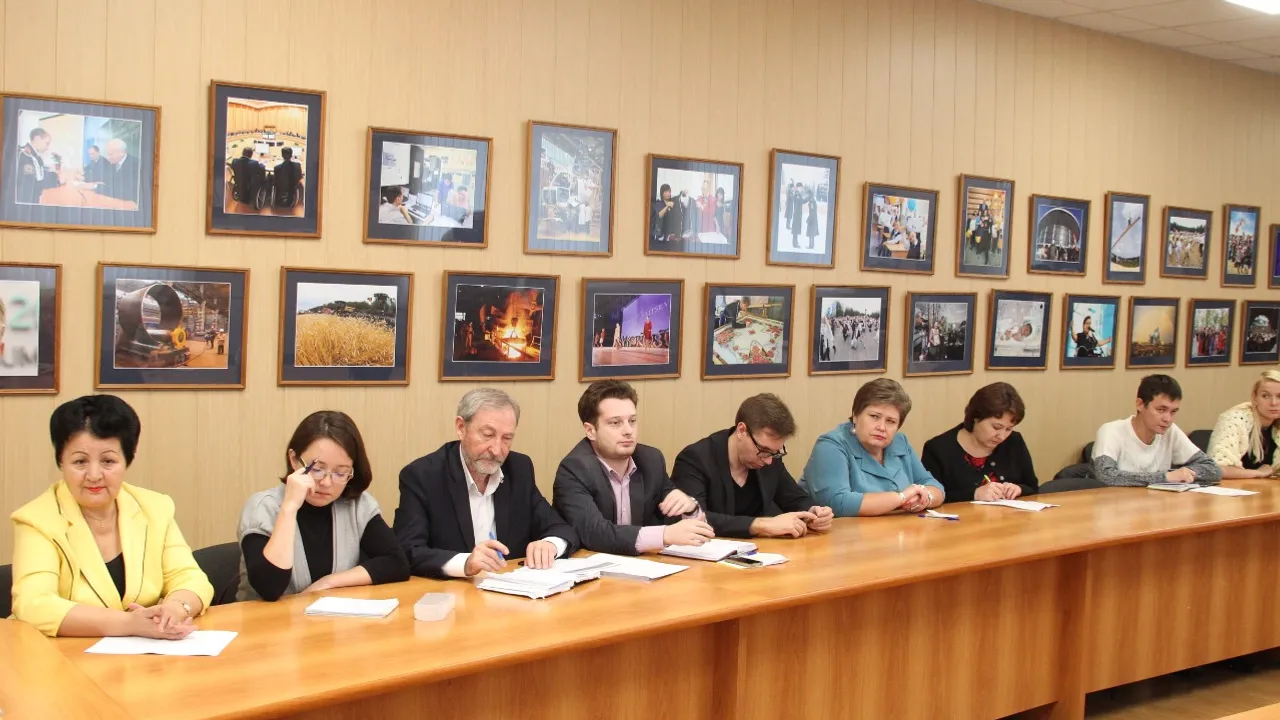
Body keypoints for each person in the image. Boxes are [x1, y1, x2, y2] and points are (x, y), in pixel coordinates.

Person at [10, 395, 213, 638]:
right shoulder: (37, 519)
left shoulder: (154, 507)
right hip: (58, 653)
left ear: (127, 458)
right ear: (61, 461)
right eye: (80, 462)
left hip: (142, 652)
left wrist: (175, 609)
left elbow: (189, 577)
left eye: (108, 461)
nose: (94, 475)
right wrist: (129, 624)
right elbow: (34, 604)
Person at [393, 389, 578, 579]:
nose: (497, 450)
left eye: (507, 438)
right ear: (461, 428)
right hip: (454, 591)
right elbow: (408, 550)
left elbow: (560, 527)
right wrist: (465, 563)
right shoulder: (423, 476)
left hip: (512, 588)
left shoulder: (519, 468)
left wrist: (550, 545)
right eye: (488, 435)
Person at [236, 411, 409, 602]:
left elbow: (396, 563)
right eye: (317, 469)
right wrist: (290, 508)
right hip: (265, 618)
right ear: (294, 459)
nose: (326, 482)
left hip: (327, 617)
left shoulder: (356, 505)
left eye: (340, 473)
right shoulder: (262, 507)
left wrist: (329, 582)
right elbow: (270, 588)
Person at [552, 380, 713, 555]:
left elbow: (685, 530)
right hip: (591, 565)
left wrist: (690, 509)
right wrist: (664, 535)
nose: (628, 430)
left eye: (632, 421)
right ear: (591, 431)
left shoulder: (651, 460)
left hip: (644, 565)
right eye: (615, 423)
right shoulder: (574, 469)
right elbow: (594, 533)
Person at [671, 394, 833, 538]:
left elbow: (794, 498)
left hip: (762, 553)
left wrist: (813, 513)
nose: (769, 461)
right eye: (764, 450)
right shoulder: (694, 459)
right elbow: (693, 519)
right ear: (742, 430)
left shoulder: (769, 457)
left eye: (775, 453)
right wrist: (761, 525)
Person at [801, 378, 945, 517]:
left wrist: (924, 497)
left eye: (891, 421)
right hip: (840, 532)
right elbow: (837, 503)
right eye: (874, 417)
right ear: (855, 415)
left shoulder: (900, 442)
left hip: (894, 529)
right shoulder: (830, 445)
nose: (881, 427)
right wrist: (901, 498)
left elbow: (935, 486)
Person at [1091, 374, 1221, 486]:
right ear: (1140, 404)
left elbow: (1213, 469)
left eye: (1173, 412)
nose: (1168, 419)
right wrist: (1166, 477)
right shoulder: (1111, 431)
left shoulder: (1170, 431)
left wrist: (1185, 474)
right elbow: (1105, 475)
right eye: (1161, 410)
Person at [921, 383, 1039, 502]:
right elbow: (930, 498)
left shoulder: (1014, 441)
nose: (1002, 436)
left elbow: (1033, 488)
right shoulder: (938, 449)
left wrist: (1019, 489)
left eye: (1008, 429)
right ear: (976, 418)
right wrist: (974, 494)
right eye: (996, 427)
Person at [1207, 370, 1280, 479]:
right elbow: (1216, 469)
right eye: (1265, 396)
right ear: (1254, 398)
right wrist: (1258, 473)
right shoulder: (1234, 419)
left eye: (1279, 396)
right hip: (1232, 487)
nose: (1274, 403)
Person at [15, 128, 66, 204]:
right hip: (26, 201)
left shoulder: (33, 155)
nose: (47, 148)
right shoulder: (26, 156)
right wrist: (57, 181)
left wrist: (50, 171)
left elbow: (38, 171)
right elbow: (35, 182)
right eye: (47, 143)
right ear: (37, 139)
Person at [96, 138, 140, 203]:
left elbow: (126, 192)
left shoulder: (136, 165)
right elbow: (106, 179)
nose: (108, 157)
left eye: (110, 154)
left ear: (122, 153)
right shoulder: (113, 163)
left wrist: (96, 187)